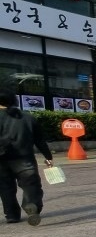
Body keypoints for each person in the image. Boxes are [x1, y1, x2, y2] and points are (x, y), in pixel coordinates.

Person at [0, 91, 53, 226]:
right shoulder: (28, 118)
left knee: (6, 188)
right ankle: (31, 204)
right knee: (31, 184)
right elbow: (40, 140)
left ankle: (12, 215)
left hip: (1, 160)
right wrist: (48, 157)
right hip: (24, 159)